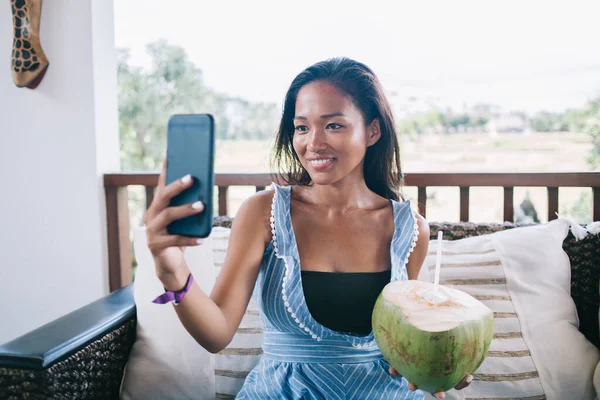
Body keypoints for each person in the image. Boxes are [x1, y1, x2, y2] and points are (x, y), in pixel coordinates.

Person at [143, 57, 472, 399]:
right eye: (302, 127)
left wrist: (442, 366)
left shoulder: (410, 230)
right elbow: (217, 334)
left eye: (333, 126)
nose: (313, 143)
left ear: (372, 130)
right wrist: (172, 270)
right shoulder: (263, 213)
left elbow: (404, 344)